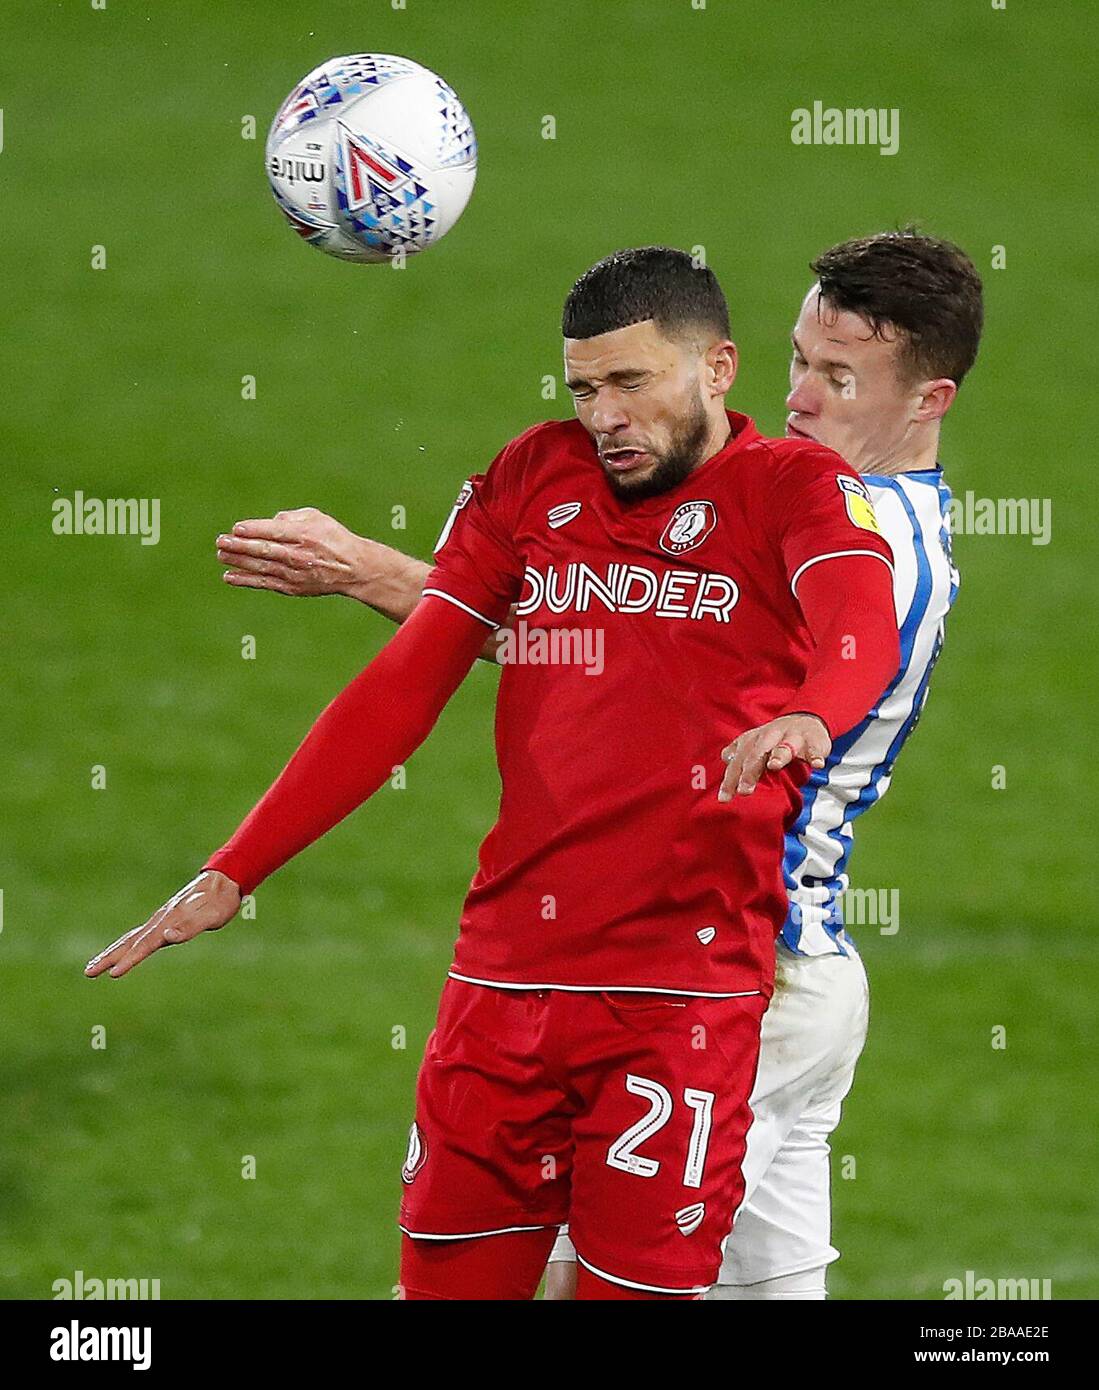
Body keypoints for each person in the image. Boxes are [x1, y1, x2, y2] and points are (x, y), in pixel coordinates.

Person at [86, 246, 900, 1300]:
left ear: (715, 369)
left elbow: (858, 628)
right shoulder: (534, 475)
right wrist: (238, 866)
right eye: (584, 387)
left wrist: (809, 712)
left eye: (630, 382)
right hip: (500, 988)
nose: (604, 415)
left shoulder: (793, 487)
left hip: (678, 1003)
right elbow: (399, 690)